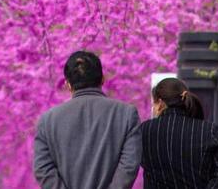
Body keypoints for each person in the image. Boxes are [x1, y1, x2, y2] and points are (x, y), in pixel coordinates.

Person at [33, 50, 142, 189]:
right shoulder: (126, 114)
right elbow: (129, 166)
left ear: (67, 84)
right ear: (103, 79)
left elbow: (43, 169)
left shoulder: (47, 121)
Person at [141, 77, 218, 189]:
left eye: (154, 103)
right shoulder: (209, 130)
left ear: (161, 103)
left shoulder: (145, 130)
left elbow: (129, 162)